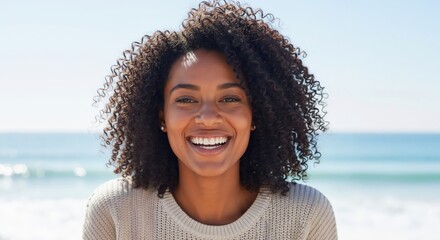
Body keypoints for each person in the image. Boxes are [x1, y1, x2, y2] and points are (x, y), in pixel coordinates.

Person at [83, 0, 337, 239]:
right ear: (162, 116)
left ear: (255, 114)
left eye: (229, 99)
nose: (207, 118)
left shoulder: (307, 214)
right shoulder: (115, 210)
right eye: (186, 99)